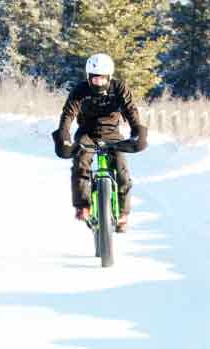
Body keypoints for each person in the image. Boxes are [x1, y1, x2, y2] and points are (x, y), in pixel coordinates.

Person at [52, 53, 147, 233]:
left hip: (112, 133)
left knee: (121, 168)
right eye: (94, 79)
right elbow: (68, 115)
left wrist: (137, 133)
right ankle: (83, 207)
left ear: (109, 77)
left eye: (102, 78)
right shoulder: (80, 91)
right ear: (88, 77)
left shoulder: (119, 88)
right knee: (80, 163)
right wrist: (63, 137)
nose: (98, 82)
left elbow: (131, 110)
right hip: (87, 133)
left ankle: (123, 213)